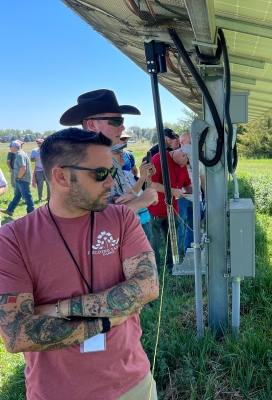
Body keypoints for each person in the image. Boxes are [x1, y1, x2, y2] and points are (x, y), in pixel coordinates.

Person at [0, 128, 159, 400]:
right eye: (99, 174)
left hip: (134, 383)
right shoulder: (13, 239)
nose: (110, 182)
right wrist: (106, 321)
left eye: (111, 171)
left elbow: (147, 287)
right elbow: (17, 333)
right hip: (57, 393)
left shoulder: (122, 218)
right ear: (61, 176)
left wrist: (58, 309)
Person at [60, 89, 158, 213]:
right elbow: (88, 219)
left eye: (122, 121)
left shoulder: (109, 158)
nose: (122, 127)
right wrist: (139, 202)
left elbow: (127, 193)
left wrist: (134, 196)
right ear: (92, 125)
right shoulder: (78, 163)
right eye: (116, 121)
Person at [148, 147, 192, 273]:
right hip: (156, 208)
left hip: (173, 209)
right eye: (188, 162)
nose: (187, 166)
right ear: (183, 155)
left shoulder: (182, 165)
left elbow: (186, 183)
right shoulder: (159, 158)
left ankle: (172, 267)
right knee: (155, 240)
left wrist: (193, 190)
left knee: (172, 239)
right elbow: (152, 183)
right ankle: (155, 269)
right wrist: (172, 191)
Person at [111, 143, 154, 243]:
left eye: (121, 151)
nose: (123, 155)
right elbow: (133, 195)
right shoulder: (111, 178)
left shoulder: (128, 174)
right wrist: (142, 177)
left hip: (143, 217)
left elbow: (136, 194)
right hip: (131, 222)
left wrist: (149, 177)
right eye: (117, 152)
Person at [176, 139, 206, 259]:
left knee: (193, 227)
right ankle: (176, 255)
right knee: (179, 227)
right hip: (180, 198)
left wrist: (205, 196)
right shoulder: (177, 163)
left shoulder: (199, 163)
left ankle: (189, 253)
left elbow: (203, 181)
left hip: (196, 198)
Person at [0, 141, 35, 217]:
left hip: (22, 179)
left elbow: (23, 167)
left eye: (10, 147)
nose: (9, 148)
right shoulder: (22, 153)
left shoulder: (19, 154)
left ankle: (31, 215)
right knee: (17, 196)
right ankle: (10, 210)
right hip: (22, 179)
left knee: (27, 197)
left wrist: (18, 177)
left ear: (15, 147)